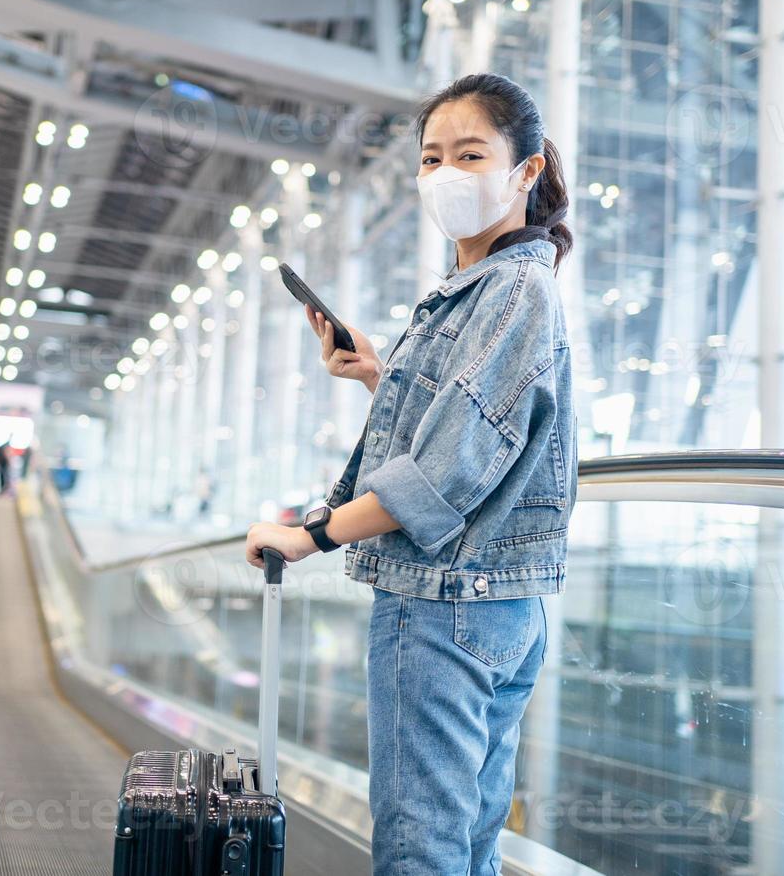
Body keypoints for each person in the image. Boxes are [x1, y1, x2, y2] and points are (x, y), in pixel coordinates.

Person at [244, 72, 579, 875]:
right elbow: (471, 426)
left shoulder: (510, 291)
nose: (446, 176)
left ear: (526, 171)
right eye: (432, 158)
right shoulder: (485, 291)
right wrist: (377, 373)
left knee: (420, 846)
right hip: (497, 607)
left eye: (471, 154)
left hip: (441, 607)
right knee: (465, 844)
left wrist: (308, 534)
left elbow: (441, 475)